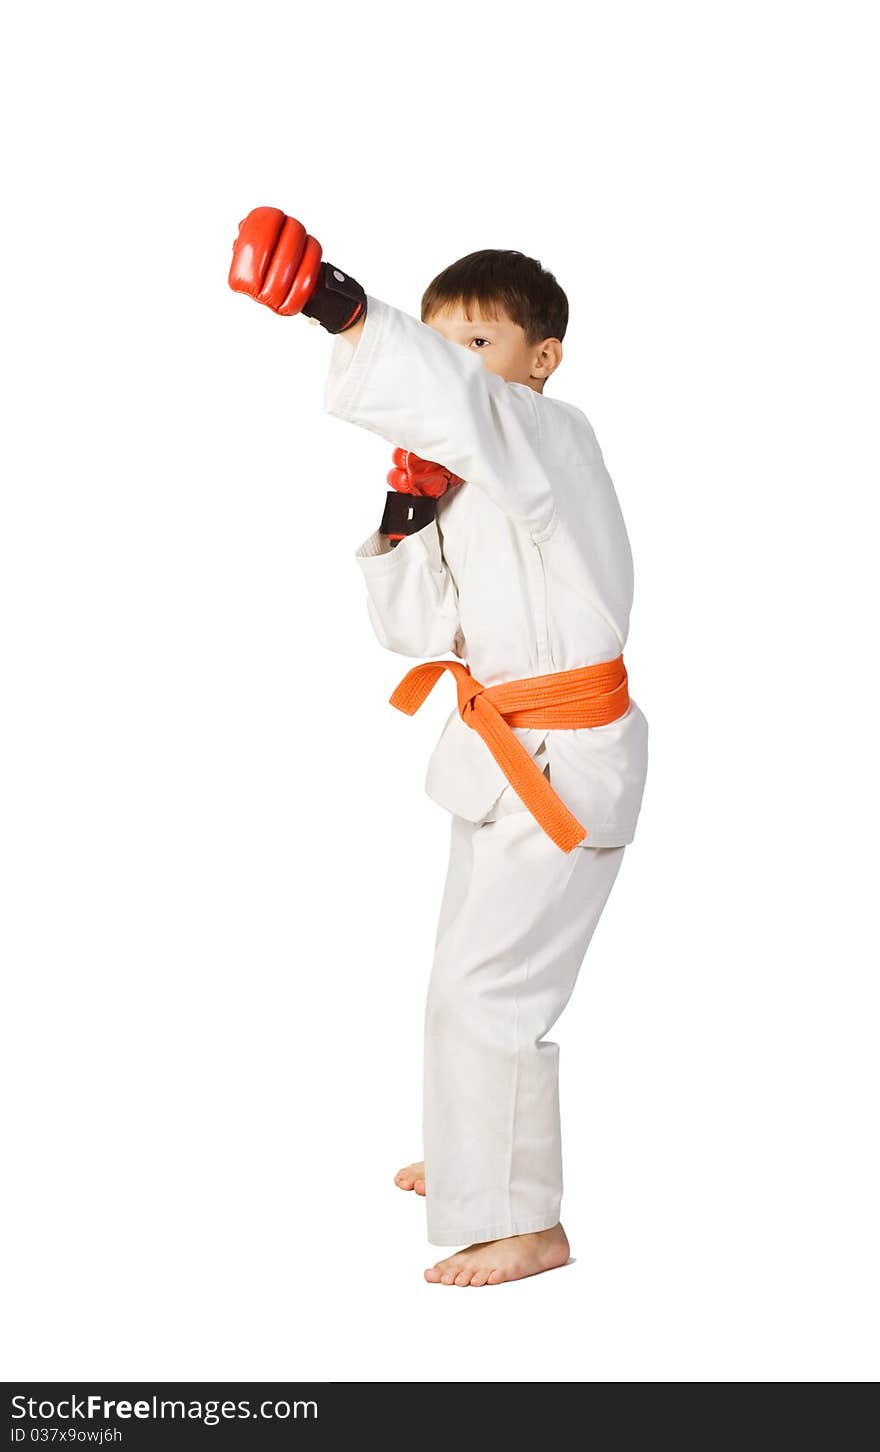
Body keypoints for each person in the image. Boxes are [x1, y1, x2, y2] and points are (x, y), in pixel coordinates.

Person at [229, 210, 649, 1286]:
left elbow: (469, 407)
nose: (458, 365)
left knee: (490, 987)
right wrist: (406, 509)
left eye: (479, 342)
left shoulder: (555, 435)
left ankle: (527, 1222)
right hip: (499, 751)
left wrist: (338, 306)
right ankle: (477, 1162)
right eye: (439, 336)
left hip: (566, 754)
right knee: (459, 975)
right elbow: (415, 637)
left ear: (538, 359)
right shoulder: (472, 476)